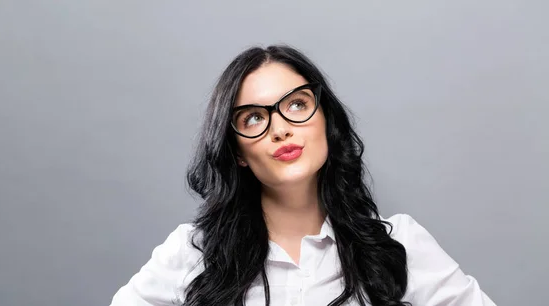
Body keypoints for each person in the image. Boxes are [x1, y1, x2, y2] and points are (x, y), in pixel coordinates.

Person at [109, 45, 496, 306]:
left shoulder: (399, 244)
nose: (280, 129)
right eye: (254, 117)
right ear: (237, 151)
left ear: (325, 120)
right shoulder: (193, 252)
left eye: (296, 104)